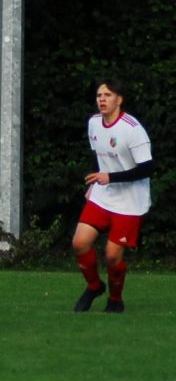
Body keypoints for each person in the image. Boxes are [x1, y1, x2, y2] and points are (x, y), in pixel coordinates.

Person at [72, 78, 153, 313]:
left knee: (112, 255)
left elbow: (147, 167)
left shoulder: (132, 129)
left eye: (107, 95)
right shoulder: (94, 123)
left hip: (130, 201)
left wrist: (111, 177)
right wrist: (95, 180)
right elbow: (96, 153)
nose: (102, 100)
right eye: (99, 95)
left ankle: (116, 300)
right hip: (103, 195)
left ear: (119, 100)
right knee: (80, 242)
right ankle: (95, 286)